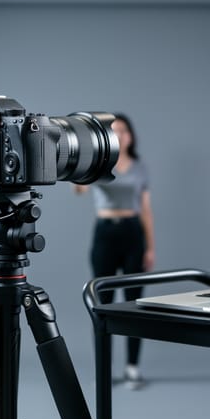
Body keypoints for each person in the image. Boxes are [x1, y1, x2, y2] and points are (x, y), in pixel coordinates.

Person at [74, 113, 155, 390]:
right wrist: (85, 161)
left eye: (124, 131)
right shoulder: (99, 163)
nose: (120, 135)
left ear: (130, 136)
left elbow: (145, 209)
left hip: (132, 233)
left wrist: (150, 247)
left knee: (134, 305)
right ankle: (104, 367)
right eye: (115, 131)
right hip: (105, 233)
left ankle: (133, 368)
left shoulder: (139, 166)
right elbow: (79, 191)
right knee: (103, 304)